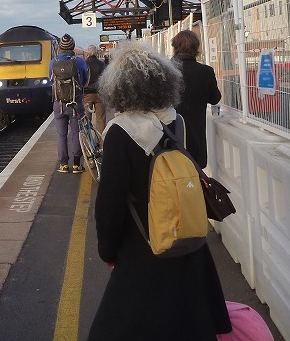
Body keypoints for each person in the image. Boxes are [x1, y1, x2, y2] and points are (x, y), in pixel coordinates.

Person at [89, 41, 231, 340]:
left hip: (142, 250)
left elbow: (109, 204)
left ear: (118, 88)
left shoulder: (120, 131)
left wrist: (108, 250)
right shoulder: (176, 121)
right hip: (190, 246)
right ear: (165, 82)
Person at [171, 30, 222, 168]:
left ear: (175, 47)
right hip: (196, 138)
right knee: (196, 173)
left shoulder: (165, 70)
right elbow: (215, 98)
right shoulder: (206, 71)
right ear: (196, 48)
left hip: (169, 137)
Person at [49, 33, 88, 173]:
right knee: (76, 133)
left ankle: (63, 165)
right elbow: (84, 80)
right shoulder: (79, 61)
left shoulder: (53, 62)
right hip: (76, 102)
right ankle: (77, 164)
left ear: (60, 47)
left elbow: (50, 81)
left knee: (61, 135)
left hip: (59, 104)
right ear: (72, 47)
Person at [82, 44, 107, 139]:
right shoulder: (102, 64)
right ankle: (102, 144)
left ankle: (88, 143)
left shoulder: (84, 64)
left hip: (87, 95)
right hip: (99, 94)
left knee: (87, 120)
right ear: (96, 53)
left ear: (87, 53)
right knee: (101, 120)